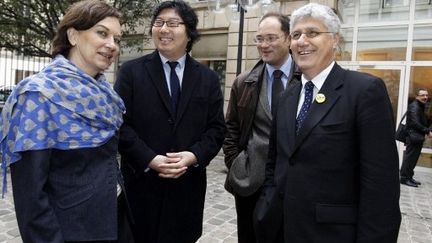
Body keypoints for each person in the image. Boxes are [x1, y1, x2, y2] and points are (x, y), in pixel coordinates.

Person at [255, 3, 401, 243]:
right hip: (282, 230)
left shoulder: (364, 91)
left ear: (335, 40)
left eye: (312, 33)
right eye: (296, 35)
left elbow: (380, 186)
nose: (302, 41)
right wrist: (265, 209)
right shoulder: (287, 98)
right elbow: (275, 164)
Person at [0, 0, 125, 242]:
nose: (112, 45)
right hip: (70, 231)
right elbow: (31, 198)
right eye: (102, 33)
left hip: (110, 221)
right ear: (73, 35)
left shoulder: (106, 96)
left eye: (117, 39)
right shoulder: (38, 96)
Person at [113, 0, 225, 242]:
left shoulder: (208, 78)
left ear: (190, 32)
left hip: (187, 191)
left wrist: (193, 156)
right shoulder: (131, 73)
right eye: (159, 23)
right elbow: (120, 125)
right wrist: (150, 159)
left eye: (173, 23)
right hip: (141, 188)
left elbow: (216, 129)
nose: (164, 29)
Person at [223, 12, 300, 243]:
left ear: (288, 38)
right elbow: (231, 129)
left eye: (271, 38)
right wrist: (237, 164)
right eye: (259, 39)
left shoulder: (306, 77)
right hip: (251, 183)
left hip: (294, 183)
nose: (264, 45)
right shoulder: (243, 82)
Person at [400, 89, 432, 187]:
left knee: (413, 159)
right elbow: (415, 123)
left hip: (417, 137)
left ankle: (409, 176)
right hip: (413, 137)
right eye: (422, 95)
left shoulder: (420, 106)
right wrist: (427, 131)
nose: (425, 97)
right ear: (417, 96)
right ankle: (404, 178)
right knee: (409, 159)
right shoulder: (414, 106)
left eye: (427, 95)